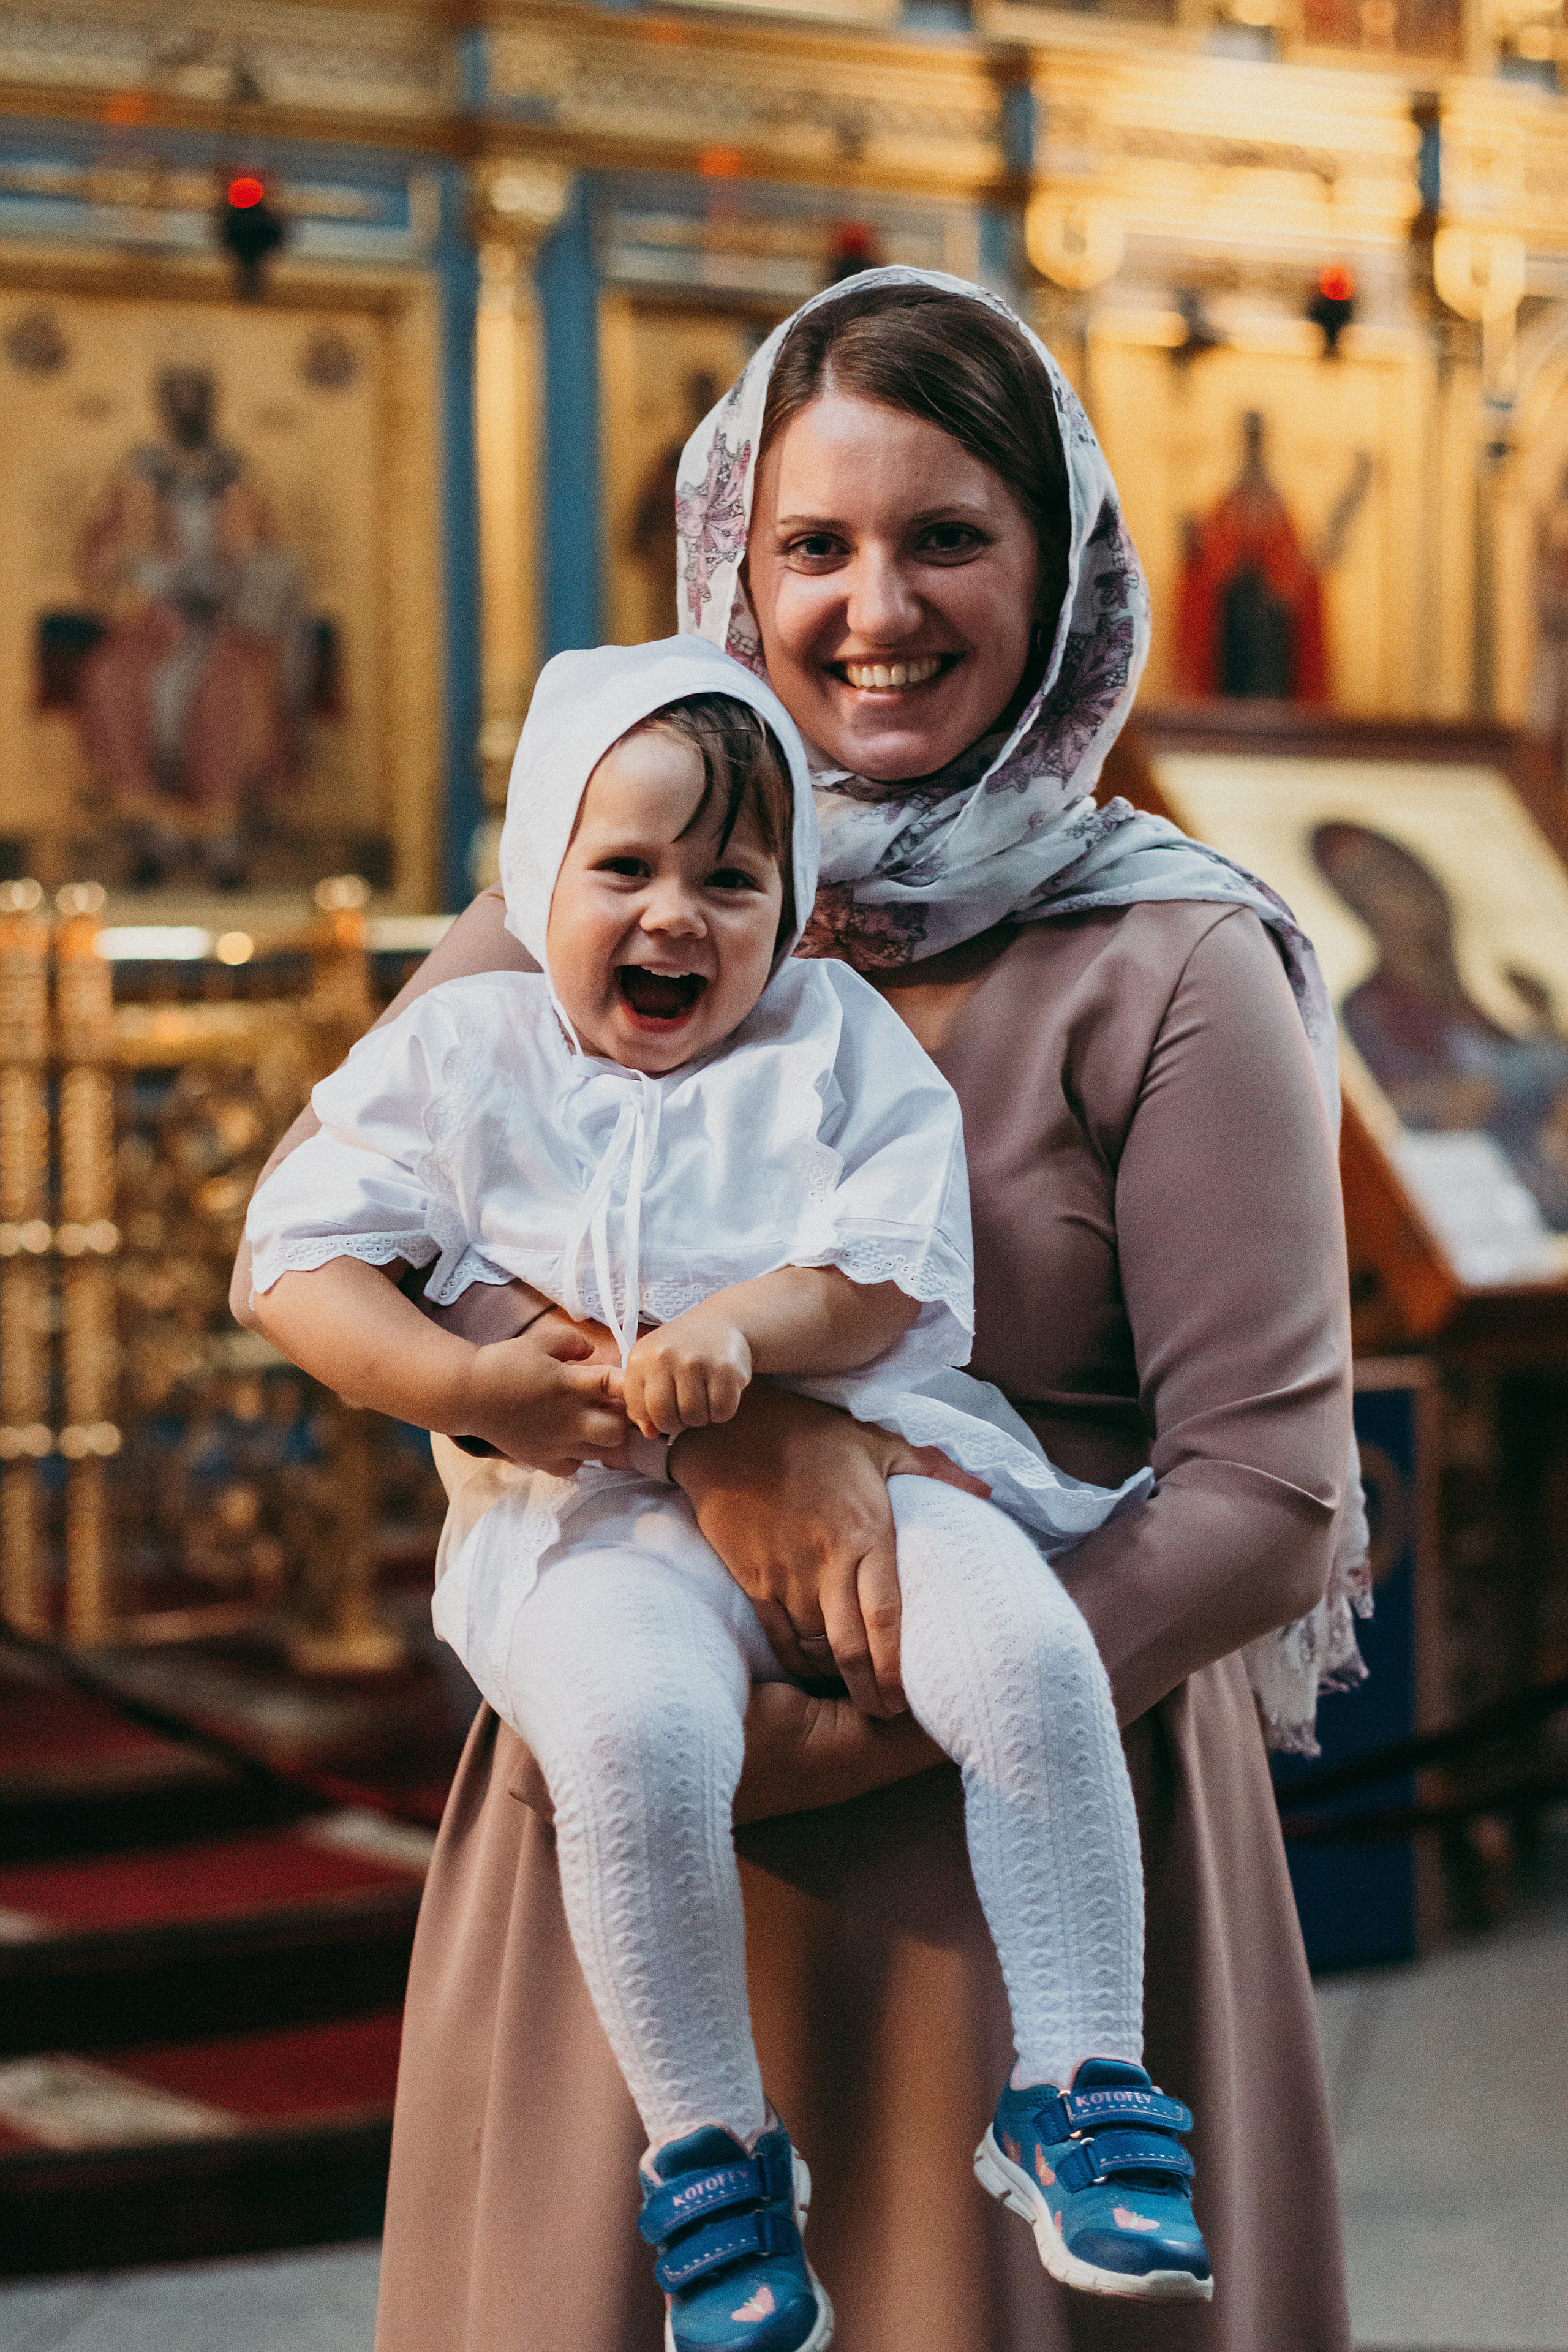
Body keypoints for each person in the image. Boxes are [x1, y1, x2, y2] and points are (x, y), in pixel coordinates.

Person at [232, 269, 1365, 2352]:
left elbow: (1272, 1498)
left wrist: (875, 1718)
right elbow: (365, 1245)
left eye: (950, 538)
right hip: (630, 1803)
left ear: (1063, 562)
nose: (877, 609)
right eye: (814, 547)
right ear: (731, 573)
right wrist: (733, 1432)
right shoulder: (562, 893)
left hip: (1018, 1852)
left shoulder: (1171, 962)